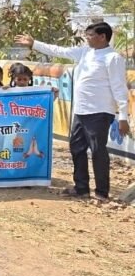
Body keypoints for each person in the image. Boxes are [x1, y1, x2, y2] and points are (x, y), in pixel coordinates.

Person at [15, 23, 130, 202]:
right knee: (76, 147)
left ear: (103, 36)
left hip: (99, 111)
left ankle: (101, 192)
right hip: (81, 110)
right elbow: (59, 51)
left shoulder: (113, 58)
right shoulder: (85, 52)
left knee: (98, 150)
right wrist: (34, 43)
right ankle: (81, 188)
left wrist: (123, 116)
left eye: (90, 35)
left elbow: (119, 88)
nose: (87, 38)